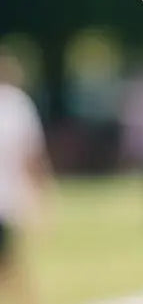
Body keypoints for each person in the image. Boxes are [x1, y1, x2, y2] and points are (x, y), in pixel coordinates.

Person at [0, 48, 52, 304]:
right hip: (9, 198)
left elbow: (30, 154)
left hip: (7, 200)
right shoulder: (16, 104)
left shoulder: (15, 104)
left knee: (9, 265)